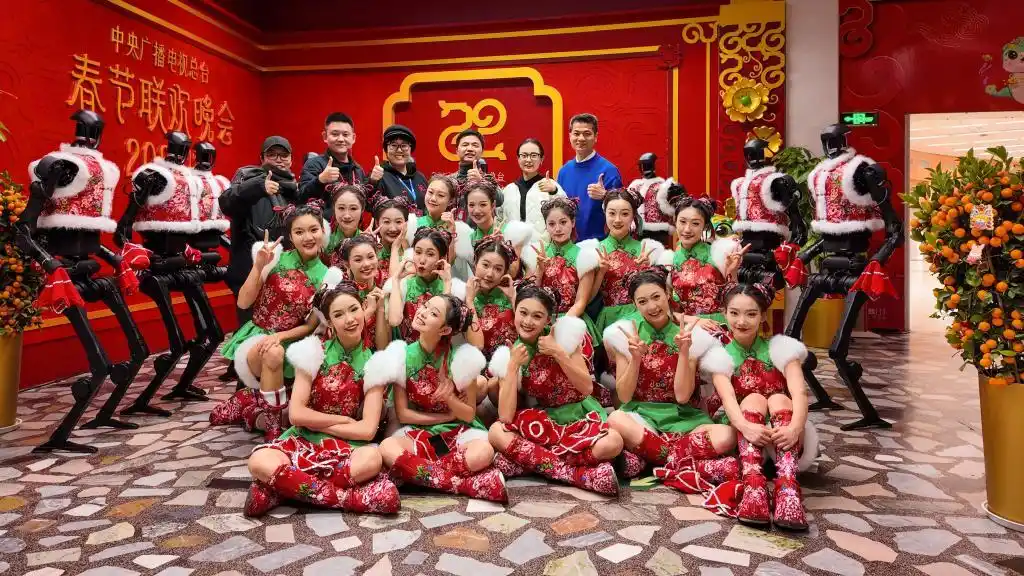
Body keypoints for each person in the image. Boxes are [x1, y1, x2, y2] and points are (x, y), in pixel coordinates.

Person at [242, 283, 400, 517]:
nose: (349, 319)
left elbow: (367, 431)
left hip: (347, 446)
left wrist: (317, 423)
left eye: (354, 309)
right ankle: (349, 498)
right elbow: (296, 415)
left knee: (371, 460)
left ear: (363, 309)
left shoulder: (376, 363)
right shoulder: (312, 352)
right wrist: (344, 421)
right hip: (303, 439)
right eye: (339, 314)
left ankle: (283, 490)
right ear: (329, 322)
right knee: (258, 461)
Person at [210, 203, 335, 440]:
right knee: (273, 352)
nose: (308, 237)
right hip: (258, 337)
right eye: (299, 232)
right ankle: (273, 425)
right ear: (290, 236)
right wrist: (259, 266)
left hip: (292, 341)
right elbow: (243, 302)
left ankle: (249, 402)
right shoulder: (274, 258)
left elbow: (310, 325)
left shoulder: (328, 276)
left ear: (323, 231)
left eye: (313, 230)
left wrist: (280, 336)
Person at [603, 268, 738, 482]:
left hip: (682, 417)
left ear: (667, 293)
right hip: (642, 417)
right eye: (643, 301)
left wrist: (684, 352)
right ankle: (682, 461)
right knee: (615, 418)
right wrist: (635, 358)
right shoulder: (626, 334)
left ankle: (654, 458)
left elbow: (683, 397)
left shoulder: (689, 334)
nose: (652, 306)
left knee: (727, 436)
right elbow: (625, 397)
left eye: (656, 297)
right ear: (634, 304)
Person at [701, 283, 817, 530]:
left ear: (763, 315)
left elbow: (799, 393)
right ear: (724, 313)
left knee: (778, 399)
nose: (741, 321)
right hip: (744, 431)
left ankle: (788, 488)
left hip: (783, 433)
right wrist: (746, 427)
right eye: (734, 313)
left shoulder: (781, 349)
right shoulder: (720, 356)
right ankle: (754, 486)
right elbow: (728, 401)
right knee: (753, 399)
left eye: (751, 314)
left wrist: (795, 428)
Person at [487, 283, 621, 495]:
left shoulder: (565, 337)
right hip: (543, 421)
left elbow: (586, 388)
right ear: (515, 312)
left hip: (578, 416)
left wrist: (558, 352)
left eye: (537, 316)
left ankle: (531, 462)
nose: (528, 321)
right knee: (496, 432)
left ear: (548, 319)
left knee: (613, 442)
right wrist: (512, 367)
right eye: (523, 313)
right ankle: (576, 474)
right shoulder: (511, 352)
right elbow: (505, 416)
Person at [376, 295, 507, 502]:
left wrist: (451, 399)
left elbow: (468, 414)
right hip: (420, 431)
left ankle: (418, 474)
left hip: (456, 432)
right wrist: (445, 417)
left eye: (433, 313)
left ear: (445, 330)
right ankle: (462, 484)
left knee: (483, 451)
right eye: (425, 306)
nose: (422, 312)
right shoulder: (400, 355)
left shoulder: (463, 359)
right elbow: (404, 414)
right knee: (387, 448)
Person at [220, 136, 298, 331]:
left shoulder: (293, 187)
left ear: (291, 159)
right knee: (250, 331)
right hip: (250, 269)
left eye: (283, 155)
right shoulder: (247, 176)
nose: (278, 159)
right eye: (272, 154)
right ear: (262, 158)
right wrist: (258, 187)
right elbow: (226, 202)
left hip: (284, 270)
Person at [657, 194, 745, 329]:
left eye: (695, 223)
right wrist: (694, 320)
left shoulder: (719, 254)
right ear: (675, 222)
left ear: (705, 226)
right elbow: (664, 311)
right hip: (686, 328)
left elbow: (736, 301)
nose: (687, 229)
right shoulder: (668, 261)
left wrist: (732, 272)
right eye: (682, 222)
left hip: (718, 326)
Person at [590, 188, 664, 334]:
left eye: (624, 214)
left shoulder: (647, 250)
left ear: (633, 216)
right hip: (609, 318)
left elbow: (660, 295)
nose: (617, 220)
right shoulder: (594, 250)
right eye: (612, 213)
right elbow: (588, 298)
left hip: (642, 317)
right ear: (605, 214)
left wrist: (647, 270)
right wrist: (601, 273)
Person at [557, 114, 623, 241]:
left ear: (596, 137)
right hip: (569, 245)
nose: (581, 138)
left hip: (600, 245)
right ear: (570, 136)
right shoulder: (564, 171)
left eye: (587, 134)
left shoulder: (609, 170)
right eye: (576, 133)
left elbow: (623, 211)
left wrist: (605, 195)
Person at [388, 228, 461, 342]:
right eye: (418, 252)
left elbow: (445, 325)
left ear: (441, 258)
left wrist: (447, 284)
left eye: (430, 254)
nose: (422, 260)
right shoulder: (404, 285)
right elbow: (394, 321)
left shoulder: (452, 288)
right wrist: (396, 279)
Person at [298, 113, 370, 221]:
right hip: (324, 228)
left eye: (345, 135)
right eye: (335, 134)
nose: (341, 139)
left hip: (353, 228)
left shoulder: (358, 169)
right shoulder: (314, 164)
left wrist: (373, 181)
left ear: (353, 138)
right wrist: (320, 180)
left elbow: (365, 203)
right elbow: (300, 198)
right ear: (325, 137)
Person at [454, 180, 534, 276]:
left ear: (493, 206)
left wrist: (500, 247)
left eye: (483, 205)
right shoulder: (470, 239)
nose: (476, 210)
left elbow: (512, 273)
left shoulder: (512, 232)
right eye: (471, 205)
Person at [464, 236, 518, 358]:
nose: (490, 274)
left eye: (498, 269)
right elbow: (476, 346)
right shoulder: (462, 296)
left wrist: (513, 298)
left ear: (505, 272)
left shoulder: (514, 293)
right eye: (485, 265)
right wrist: (469, 301)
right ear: (475, 263)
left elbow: (529, 333)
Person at [501, 138, 565, 239]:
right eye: (524, 155)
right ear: (518, 158)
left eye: (534, 155)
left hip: (543, 247)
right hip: (512, 246)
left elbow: (566, 212)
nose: (528, 160)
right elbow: (500, 219)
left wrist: (554, 192)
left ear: (541, 159)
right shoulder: (509, 190)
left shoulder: (550, 186)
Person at [335, 235, 389, 351]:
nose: (367, 264)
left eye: (370, 257)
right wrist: (369, 311)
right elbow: (340, 338)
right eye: (358, 260)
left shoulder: (387, 285)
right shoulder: (340, 292)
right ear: (347, 264)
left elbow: (382, 348)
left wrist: (380, 307)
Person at [373, 124, 428, 213]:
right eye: (393, 145)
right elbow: (368, 205)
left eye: (404, 145)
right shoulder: (379, 177)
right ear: (386, 150)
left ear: (410, 149)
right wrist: (373, 182)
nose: (399, 150)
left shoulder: (420, 177)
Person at [369, 194, 411, 286]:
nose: (393, 229)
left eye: (398, 222)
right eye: (386, 222)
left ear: (406, 223)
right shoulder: (369, 252)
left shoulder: (412, 252)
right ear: (377, 223)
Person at [325, 185, 367, 265]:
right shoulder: (324, 241)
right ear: (334, 208)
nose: (347, 216)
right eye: (341, 208)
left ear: (362, 209)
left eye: (353, 208)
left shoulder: (369, 242)